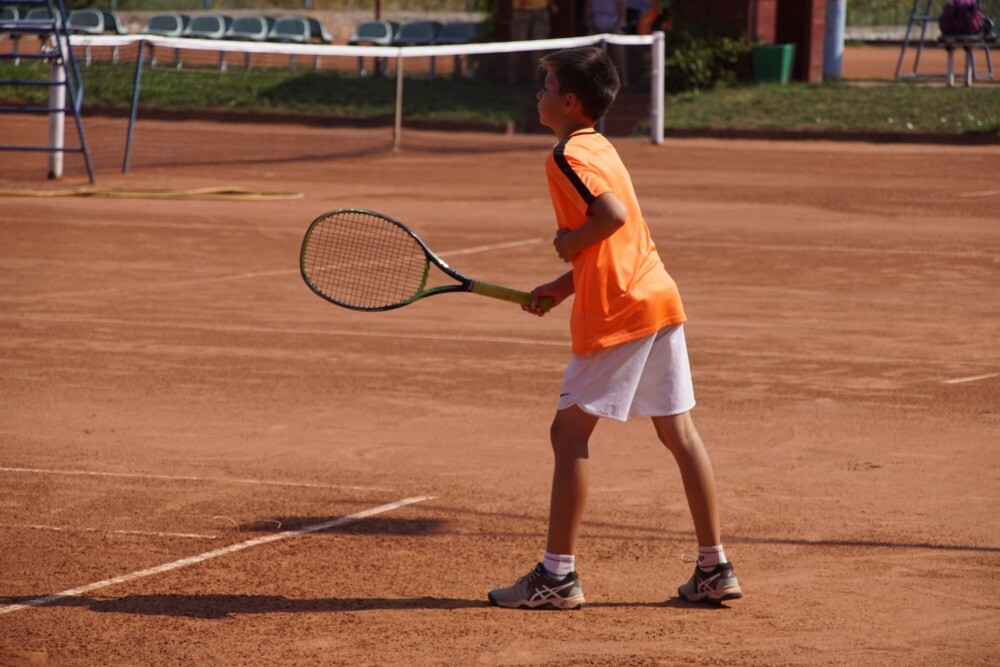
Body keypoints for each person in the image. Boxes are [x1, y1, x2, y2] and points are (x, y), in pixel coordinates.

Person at [487, 47, 742, 610]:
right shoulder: (601, 145)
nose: (539, 93)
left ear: (569, 101)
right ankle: (714, 566)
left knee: (568, 434)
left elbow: (611, 220)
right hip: (655, 296)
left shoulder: (565, 156)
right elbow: (620, 241)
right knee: (679, 434)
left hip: (621, 312)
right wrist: (563, 282)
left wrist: (569, 244)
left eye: (547, 85)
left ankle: (557, 577)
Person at [508, 0, 558, 82]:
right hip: (521, 10)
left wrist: (552, 4)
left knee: (539, 47)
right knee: (516, 46)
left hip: (540, 9)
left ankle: (536, 80)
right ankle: (512, 80)